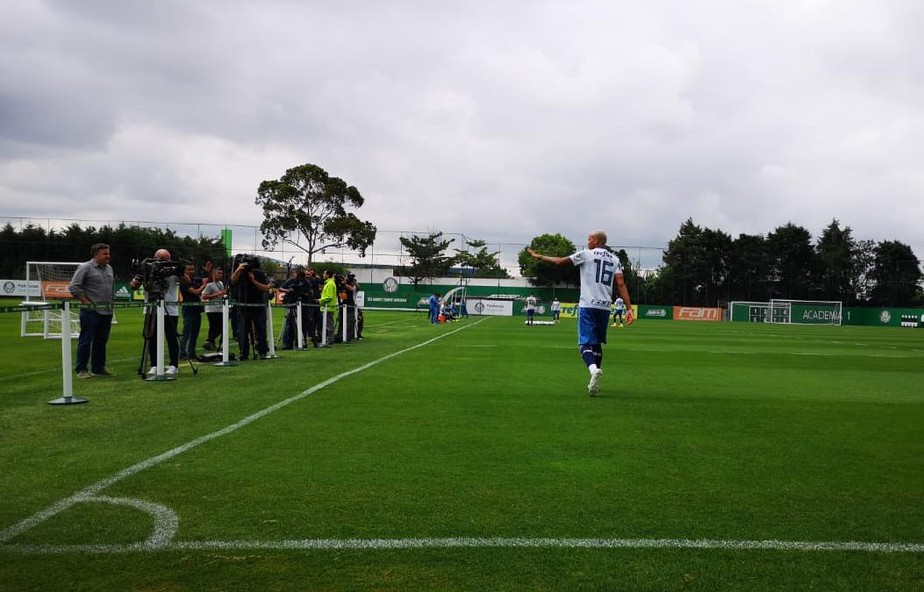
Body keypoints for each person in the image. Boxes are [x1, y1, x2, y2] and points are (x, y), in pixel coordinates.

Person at [528, 230, 633, 396]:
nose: (587, 241)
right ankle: (594, 382)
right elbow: (620, 283)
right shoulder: (615, 259)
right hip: (604, 307)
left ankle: (593, 370)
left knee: (584, 344)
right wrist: (629, 308)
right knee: (597, 344)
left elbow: (559, 261)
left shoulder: (586, 254)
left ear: (596, 241)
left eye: (589, 239)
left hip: (588, 305)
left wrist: (539, 256)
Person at [130, 248, 181, 376]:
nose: (164, 262)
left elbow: (186, 280)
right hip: (152, 308)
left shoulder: (173, 270)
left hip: (170, 310)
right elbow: (133, 285)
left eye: (167, 259)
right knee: (151, 337)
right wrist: (139, 277)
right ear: (155, 258)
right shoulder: (148, 268)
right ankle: (154, 364)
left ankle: (174, 365)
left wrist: (180, 270)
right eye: (162, 259)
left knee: (171, 338)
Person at [68, 243, 115, 378]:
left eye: (108, 253)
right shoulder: (85, 267)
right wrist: (86, 302)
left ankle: (98, 368)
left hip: (107, 311)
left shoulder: (109, 268)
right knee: (86, 340)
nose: (108, 256)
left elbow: (110, 287)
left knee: (101, 341)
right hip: (91, 312)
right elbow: (74, 287)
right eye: (105, 254)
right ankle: (81, 369)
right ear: (95, 254)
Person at [230, 257, 272, 359]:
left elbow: (265, 288)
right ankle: (243, 352)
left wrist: (253, 280)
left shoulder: (259, 274)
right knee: (242, 330)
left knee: (261, 329)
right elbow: (232, 282)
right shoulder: (239, 273)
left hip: (258, 306)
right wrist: (238, 269)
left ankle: (262, 351)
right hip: (243, 305)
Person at [179, 263, 207, 360]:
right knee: (186, 333)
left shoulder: (196, 280)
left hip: (197, 310)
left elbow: (208, 279)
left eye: (193, 269)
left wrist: (207, 272)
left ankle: (191, 352)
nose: (192, 271)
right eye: (189, 270)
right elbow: (195, 292)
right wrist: (204, 286)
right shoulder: (183, 282)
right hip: (188, 310)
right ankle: (182, 353)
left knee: (195, 334)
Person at [201, 267, 227, 352]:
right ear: (214, 274)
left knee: (219, 326)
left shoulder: (221, 283)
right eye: (219, 273)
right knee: (216, 326)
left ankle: (211, 342)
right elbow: (204, 296)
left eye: (221, 273)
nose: (221, 275)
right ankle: (209, 340)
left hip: (220, 308)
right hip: (212, 309)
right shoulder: (210, 285)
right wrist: (217, 294)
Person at [317, 269, 339, 346]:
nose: (323, 275)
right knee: (327, 324)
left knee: (328, 325)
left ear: (328, 275)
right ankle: (328, 339)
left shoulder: (330, 284)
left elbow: (329, 297)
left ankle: (330, 339)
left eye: (324, 273)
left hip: (328, 307)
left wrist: (320, 301)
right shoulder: (329, 283)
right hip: (327, 307)